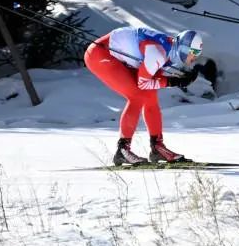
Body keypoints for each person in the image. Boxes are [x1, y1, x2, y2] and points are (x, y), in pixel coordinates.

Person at [84, 27, 203, 165]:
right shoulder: (158, 53)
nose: (195, 57)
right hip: (100, 54)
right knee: (137, 96)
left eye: (198, 53)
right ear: (183, 48)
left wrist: (179, 78)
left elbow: (154, 74)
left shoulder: (169, 48)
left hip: (115, 52)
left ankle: (157, 147)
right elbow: (144, 83)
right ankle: (123, 150)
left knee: (151, 98)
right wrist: (174, 81)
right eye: (193, 52)